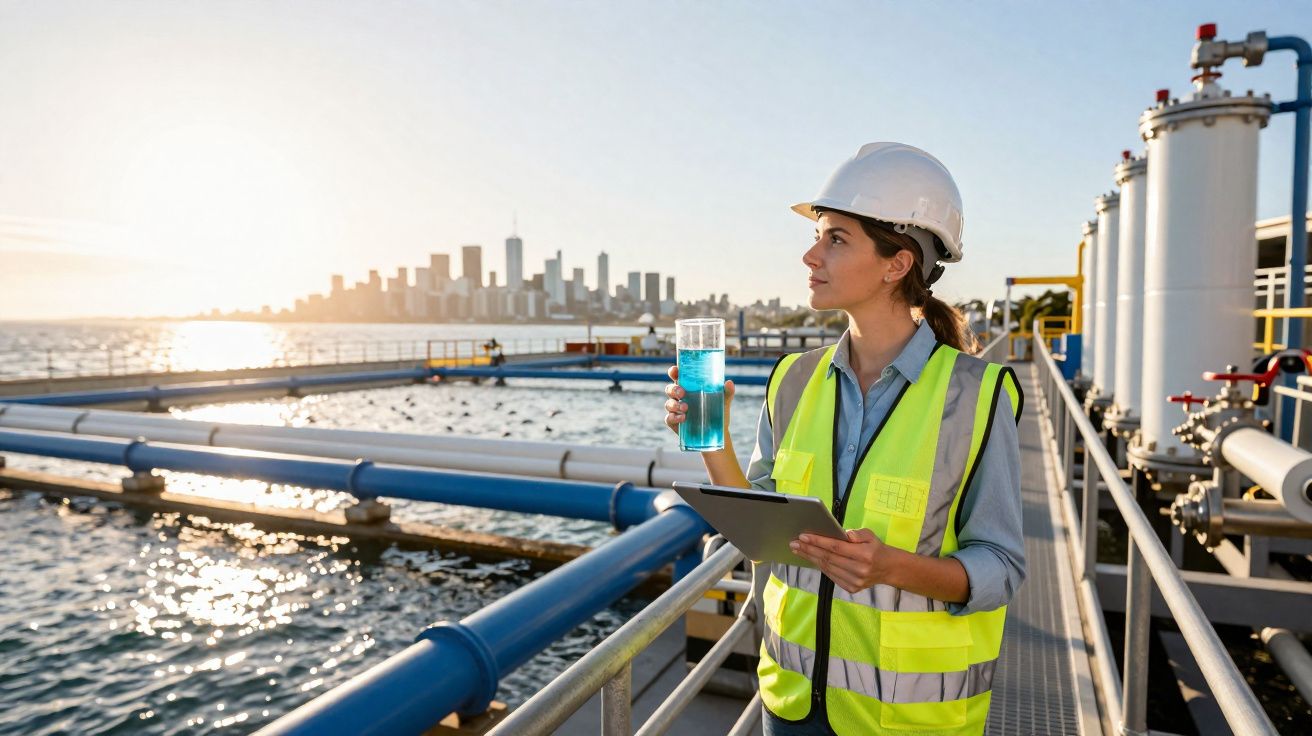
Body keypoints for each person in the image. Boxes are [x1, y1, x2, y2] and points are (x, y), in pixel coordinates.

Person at [662, 143, 1024, 736]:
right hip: (791, 703)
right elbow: (761, 534)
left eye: (835, 238)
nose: (810, 254)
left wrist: (893, 568)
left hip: (907, 721)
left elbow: (1001, 567)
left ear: (896, 264)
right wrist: (711, 440)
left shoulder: (978, 395)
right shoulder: (794, 379)